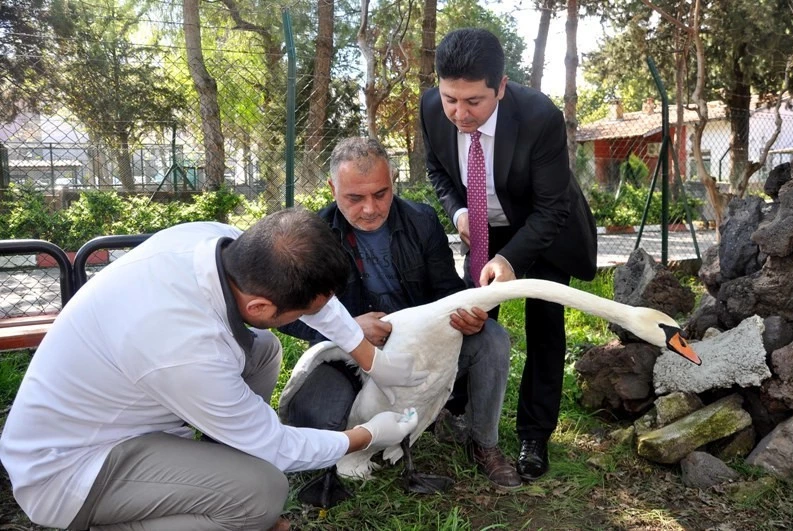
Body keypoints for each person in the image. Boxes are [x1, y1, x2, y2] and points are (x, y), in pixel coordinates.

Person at [0, 208, 423, 531]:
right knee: (264, 492)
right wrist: (366, 435)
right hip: (72, 470)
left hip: (116, 417)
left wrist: (370, 357)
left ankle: (216, 471)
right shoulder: (183, 345)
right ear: (260, 307)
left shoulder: (218, 241)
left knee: (261, 348)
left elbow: (317, 300)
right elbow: (276, 447)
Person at [280, 137, 519, 488]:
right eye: (354, 198)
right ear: (332, 188)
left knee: (492, 338)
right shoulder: (312, 237)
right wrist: (348, 329)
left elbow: (445, 292)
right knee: (317, 422)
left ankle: (484, 444)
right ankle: (381, 430)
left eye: (381, 193)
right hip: (350, 356)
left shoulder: (422, 221)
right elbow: (285, 314)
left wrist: (464, 313)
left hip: (417, 349)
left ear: (394, 179)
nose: (370, 209)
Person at [420, 28, 598, 482]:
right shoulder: (430, 107)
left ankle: (534, 436)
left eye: (474, 102)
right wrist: (458, 210)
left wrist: (512, 260)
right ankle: (460, 416)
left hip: (545, 231)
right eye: (451, 99)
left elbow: (553, 205)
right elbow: (438, 170)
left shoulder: (539, 115)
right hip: (480, 227)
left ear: (500, 86)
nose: (460, 113)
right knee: (470, 321)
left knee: (545, 329)